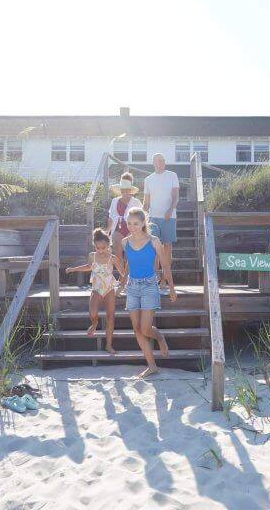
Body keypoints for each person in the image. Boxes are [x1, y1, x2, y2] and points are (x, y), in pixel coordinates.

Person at [120, 207, 176, 378]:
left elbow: (165, 265)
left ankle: (159, 337)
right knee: (137, 329)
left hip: (149, 286)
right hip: (132, 287)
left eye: (135, 223)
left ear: (143, 222)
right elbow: (129, 264)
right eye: (129, 223)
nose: (132, 226)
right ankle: (152, 366)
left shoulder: (154, 241)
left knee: (145, 328)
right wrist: (121, 284)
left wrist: (171, 288)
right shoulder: (125, 242)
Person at [66, 228, 126, 355]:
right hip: (97, 288)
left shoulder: (113, 258)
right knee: (93, 311)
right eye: (98, 248)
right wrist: (74, 269)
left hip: (109, 288)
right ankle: (94, 323)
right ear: (95, 246)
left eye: (103, 248)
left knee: (111, 317)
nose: (100, 250)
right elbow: (88, 267)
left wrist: (125, 283)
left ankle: (109, 345)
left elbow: (123, 273)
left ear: (108, 246)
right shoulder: (92, 256)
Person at [142, 153, 180, 295]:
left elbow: (176, 197)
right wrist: (140, 217)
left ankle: (164, 279)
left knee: (167, 248)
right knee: (154, 250)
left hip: (169, 217)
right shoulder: (148, 179)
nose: (162, 162)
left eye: (163, 160)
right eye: (159, 160)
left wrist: (171, 210)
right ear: (154, 162)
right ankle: (153, 279)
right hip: (153, 218)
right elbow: (146, 202)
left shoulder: (172, 175)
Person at [107, 173, 142, 265]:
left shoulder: (136, 202)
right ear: (120, 190)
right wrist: (106, 231)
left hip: (132, 230)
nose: (125, 192)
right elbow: (111, 218)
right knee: (118, 257)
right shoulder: (114, 201)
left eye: (127, 190)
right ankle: (121, 278)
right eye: (123, 190)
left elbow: (142, 219)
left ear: (130, 190)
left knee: (129, 257)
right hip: (117, 230)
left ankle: (128, 278)